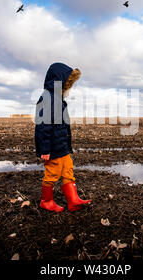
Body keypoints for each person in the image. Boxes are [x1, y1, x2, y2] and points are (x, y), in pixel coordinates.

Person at [35, 62, 91, 212]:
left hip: (62, 146)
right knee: (52, 173)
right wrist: (45, 149)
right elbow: (43, 126)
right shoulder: (48, 98)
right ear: (59, 81)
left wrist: (67, 145)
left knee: (68, 170)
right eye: (68, 82)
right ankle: (46, 201)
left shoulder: (57, 99)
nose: (69, 86)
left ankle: (73, 200)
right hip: (53, 147)